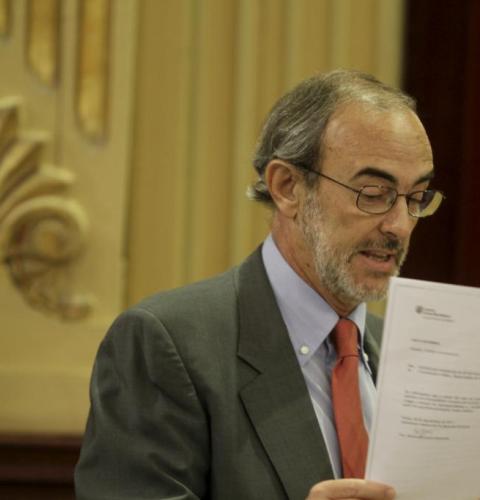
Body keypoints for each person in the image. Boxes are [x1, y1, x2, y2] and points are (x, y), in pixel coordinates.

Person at [75, 69, 444, 499]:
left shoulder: (406, 356)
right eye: (374, 193)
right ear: (287, 187)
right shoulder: (167, 344)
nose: (399, 225)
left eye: (416, 197)